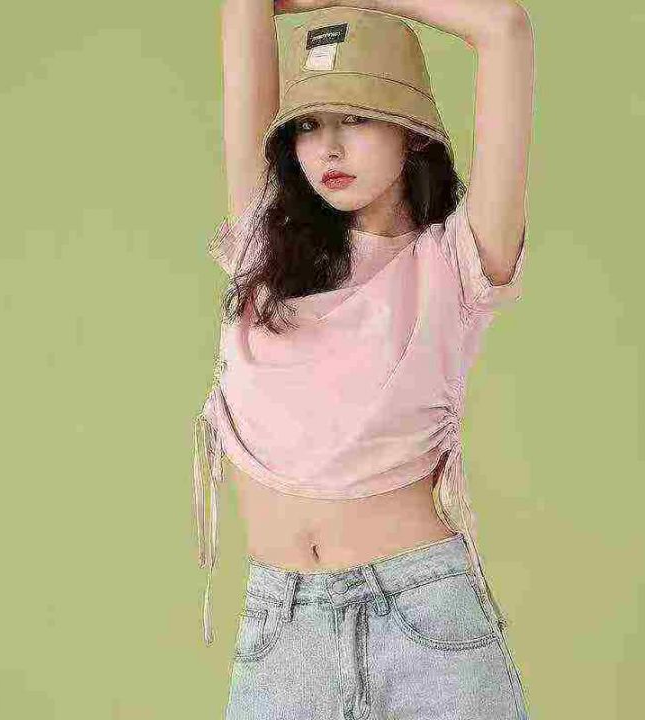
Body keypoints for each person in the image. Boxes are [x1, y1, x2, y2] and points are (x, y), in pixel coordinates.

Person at [193, 1, 534, 717]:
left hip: (427, 624)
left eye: (356, 116)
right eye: (308, 125)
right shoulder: (265, 247)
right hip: (281, 632)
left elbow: (503, 28)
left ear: (412, 132)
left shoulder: (457, 261)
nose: (328, 148)